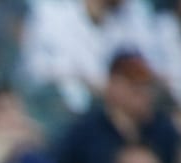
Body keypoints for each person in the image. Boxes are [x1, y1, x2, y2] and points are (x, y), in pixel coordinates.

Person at [54, 50, 179, 163]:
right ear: (113, 84)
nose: (142, 91)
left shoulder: (162, 128)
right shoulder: (85, 131)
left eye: (146, 85)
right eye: (134, 84)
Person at [20, 0, 159, 93]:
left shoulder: (125, 21)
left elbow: (144, 66)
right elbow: (42, 73)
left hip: (111, 106)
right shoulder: (52, 16)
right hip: (59, 105)